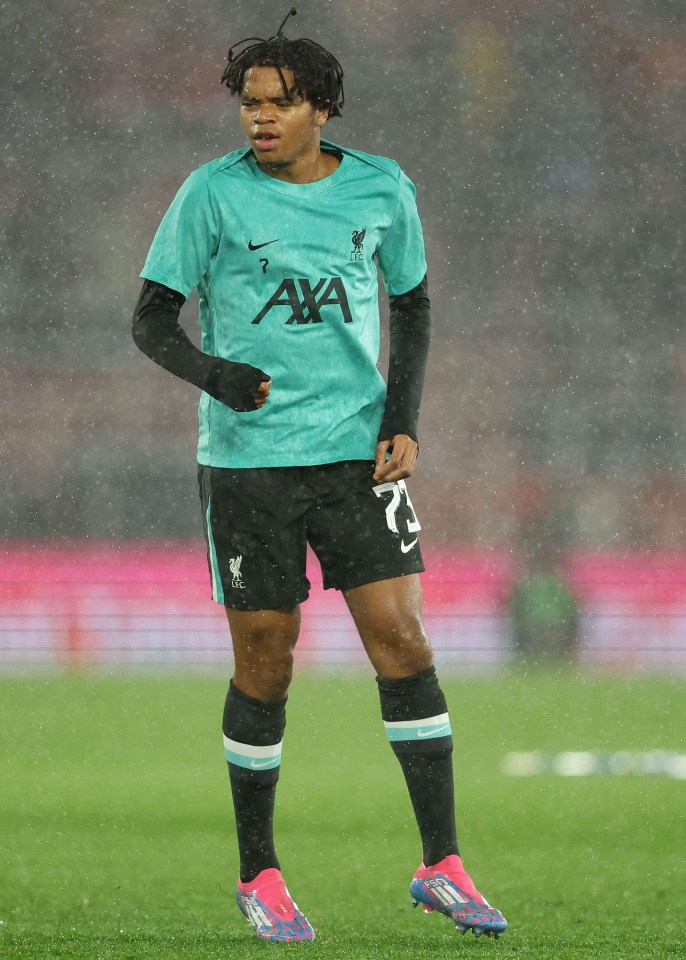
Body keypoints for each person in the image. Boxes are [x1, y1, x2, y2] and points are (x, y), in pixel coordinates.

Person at [132, 9, 506, 944]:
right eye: (250, 105)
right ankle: (260, 873)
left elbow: (412, 303)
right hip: (249, 464)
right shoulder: (210, 195)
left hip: (352, 454)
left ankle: (442, 864)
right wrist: (216, 375)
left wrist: (403, 418)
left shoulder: (382, 191)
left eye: (279, 104)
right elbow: (149, 320)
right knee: (266, 658)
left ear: (323, 109)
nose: (259, 120)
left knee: (404, 639)